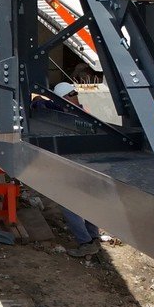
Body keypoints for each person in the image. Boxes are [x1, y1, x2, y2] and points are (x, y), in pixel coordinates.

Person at [49, 81, 104, 257]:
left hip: (77, 165)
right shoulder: (81, 112)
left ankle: (86, 242)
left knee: (68, 204)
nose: (74, 97)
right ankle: (93, 238)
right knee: (88, 201)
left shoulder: (72, 116)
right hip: (86, 164)